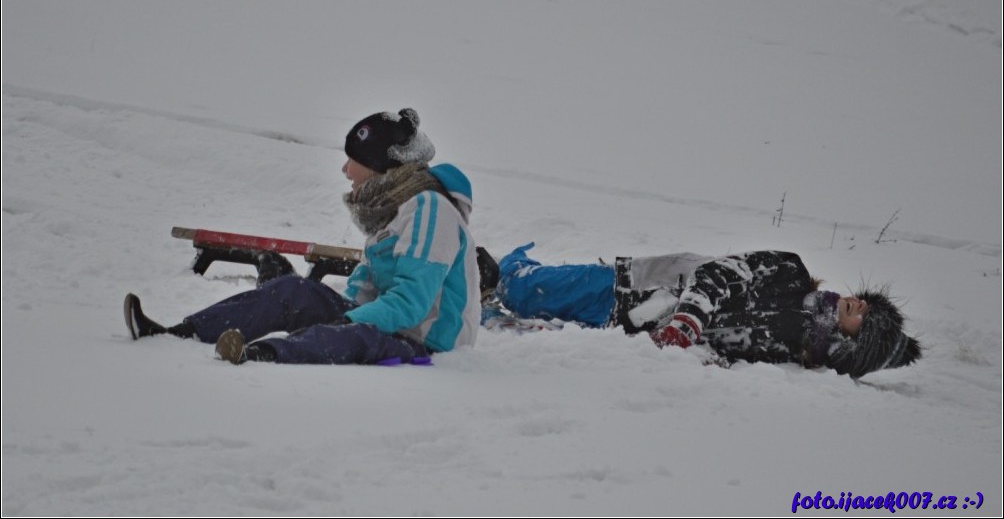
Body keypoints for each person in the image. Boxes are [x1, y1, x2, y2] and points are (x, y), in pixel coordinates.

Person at [123, 108, 482, 365]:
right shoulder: (395, 212)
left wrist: (345, 322)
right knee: (298, 292)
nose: (345, 171)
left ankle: (260, 355)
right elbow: (361, 293)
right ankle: (178, 333)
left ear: (379, 166)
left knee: (355, 334)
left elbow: (409, 305)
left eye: (352, 160)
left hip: (427, 343)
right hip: (393, 327)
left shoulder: (431, 210)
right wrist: (333, 311)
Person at [482, 243, 921, 378]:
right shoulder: (790, 272)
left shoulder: (789, 355)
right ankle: (490, 268)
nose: (859, 303)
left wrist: (700, 354)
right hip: (629, 288)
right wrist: (687, 324)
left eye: (866, 316)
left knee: (513, 331)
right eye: (868, 301)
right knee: (520, 289)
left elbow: (724, 355)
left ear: (852, 342)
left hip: (628, 333)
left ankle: (468, 305)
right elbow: (719, 273)